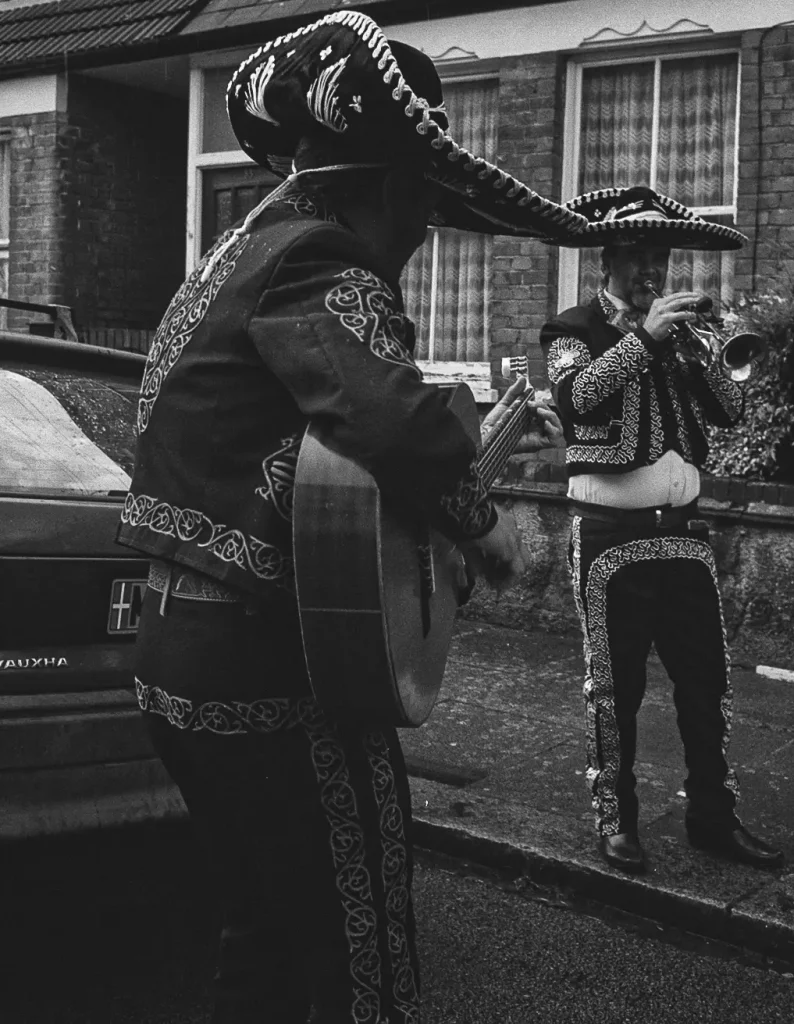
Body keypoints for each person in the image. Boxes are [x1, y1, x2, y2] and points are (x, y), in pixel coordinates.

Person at [116, 11, 574, 1023]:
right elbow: (387, 415)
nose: (419, 236)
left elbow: (324, 459)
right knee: (354, 924)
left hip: (177, 657)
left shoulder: (239, 249)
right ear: (389, 183)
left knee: (259, 925)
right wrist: (477, 524)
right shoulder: (322, 255)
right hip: (266, 665)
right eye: (422, 209)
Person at [539, 185, 783, 875]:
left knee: (705, 683)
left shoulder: (682, 334)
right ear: (608, 259)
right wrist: (643, 339)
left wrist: (695, 350)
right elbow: (576, 396)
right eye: (638, 255)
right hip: (610, 537)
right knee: (614, 688)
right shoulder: (571, 328)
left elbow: (731, 411)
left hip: (684, 535)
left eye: (660, 256)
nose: (652, 269)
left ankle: (713, 813)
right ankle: (617, 820)